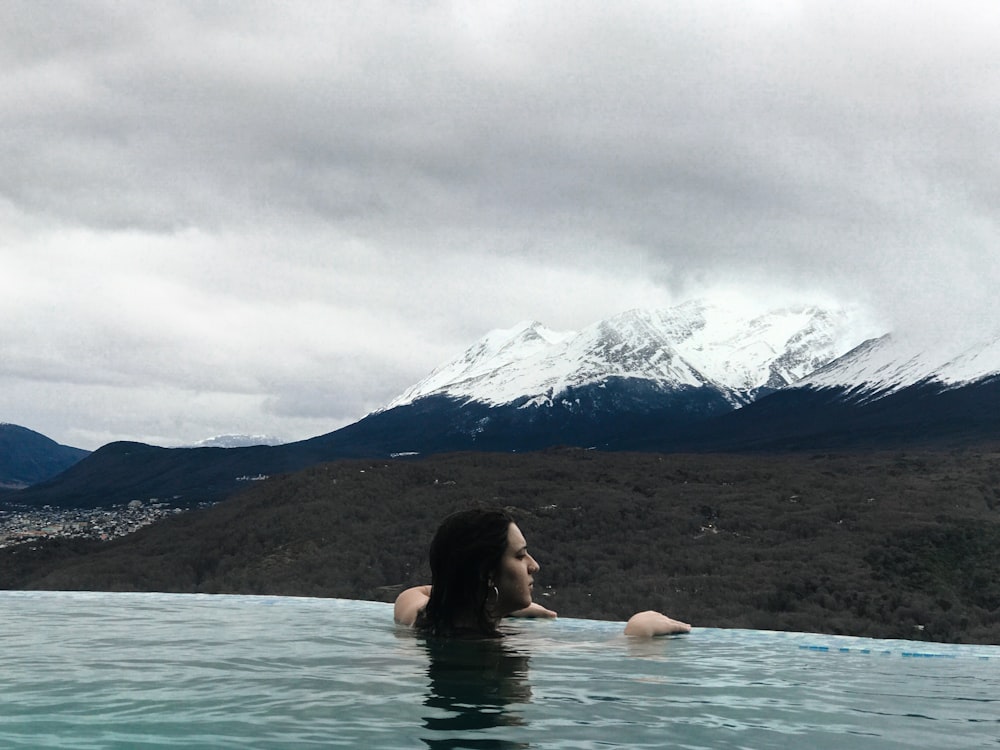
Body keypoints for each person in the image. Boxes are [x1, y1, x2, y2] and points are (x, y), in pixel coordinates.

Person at [394, 508, 691, 638]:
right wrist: (640, 628)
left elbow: (411, 594)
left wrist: (488, 604)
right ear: (488, 575)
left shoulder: (420, 621)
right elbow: (608, 657)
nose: (533, 565)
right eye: (520, 555)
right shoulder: (492, 658)